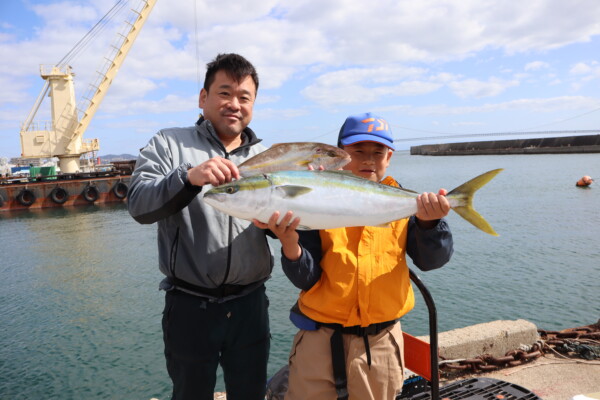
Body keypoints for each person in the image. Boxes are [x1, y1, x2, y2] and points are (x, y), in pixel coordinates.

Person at [254, 112, 454, 400]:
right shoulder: (314, 199)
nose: (368, 159)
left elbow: (432, 260)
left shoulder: (402, 202)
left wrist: (429, 224)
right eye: (357, 151)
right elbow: (306, 278)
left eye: (378, 152)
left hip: (380, 343)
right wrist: (290, 243)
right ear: (339, 155)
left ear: (390, 157)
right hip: (317, 341)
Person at [128, 53, 273, 400]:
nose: (234, 104)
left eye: (244, 97)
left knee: (251, 393)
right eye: (224, 93)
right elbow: (139, 205)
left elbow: (284, 224)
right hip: (190, 307)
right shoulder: (168, 143)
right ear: (203, 98)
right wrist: (188, 177)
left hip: (250, 306)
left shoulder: (267, 158)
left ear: (253, 104)